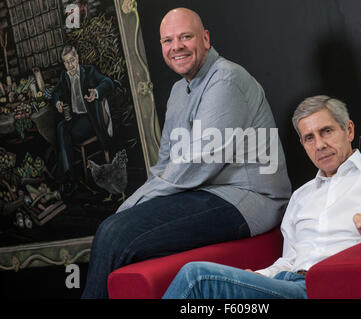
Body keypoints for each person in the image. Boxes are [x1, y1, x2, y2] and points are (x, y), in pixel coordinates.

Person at [81, 8, 291, 298]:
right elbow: (165, 164)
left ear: (205, 39)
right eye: (168, 41)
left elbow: (197, 165)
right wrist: (136, 205)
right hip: (206, 192)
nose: (176, 47)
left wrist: (132, 205)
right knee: (119, 231)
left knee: (114, 232)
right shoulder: (179, 92)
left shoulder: (226, 79)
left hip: (250, 197)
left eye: (185, 37)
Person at [162, 95, 361, 299]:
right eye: (309, 138)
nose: (319, 144)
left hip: (325, 288)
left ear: (349, 130)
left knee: (196, 278)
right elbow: (290, 259)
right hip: (286, 285)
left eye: (327, 131)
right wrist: (259, 277)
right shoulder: (301, 196)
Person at [53, 45, 114, 195]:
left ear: (78, 58)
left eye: (72, 60)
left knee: (63, 132)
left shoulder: (89, 71)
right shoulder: (64, 76)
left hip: (91, 119)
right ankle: (69, 178)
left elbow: (108, 83)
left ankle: (67, 179)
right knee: (62, 129)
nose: (70, 65)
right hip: (76, 120)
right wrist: (58, 102)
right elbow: (56, 92)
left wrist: (96, 91)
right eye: (66, 62)